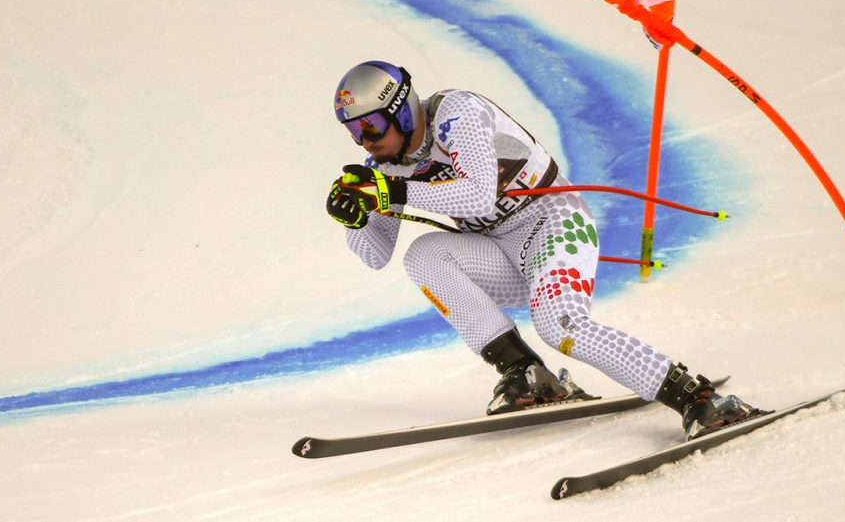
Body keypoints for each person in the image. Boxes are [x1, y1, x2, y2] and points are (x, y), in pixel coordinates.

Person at [324, 60, 760, 440]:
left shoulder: (456, 113)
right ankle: (528, 375)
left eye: (370, 126)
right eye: (352, 132)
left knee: (560, 325)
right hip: (499, 249)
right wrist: (357, 217)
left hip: (554, 225)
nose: (364, 141)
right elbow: (374, 254)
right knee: (423, 256)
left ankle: (700, 399)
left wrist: (396, 191)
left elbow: (477, 196)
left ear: (401, 110)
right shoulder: (384, 167)